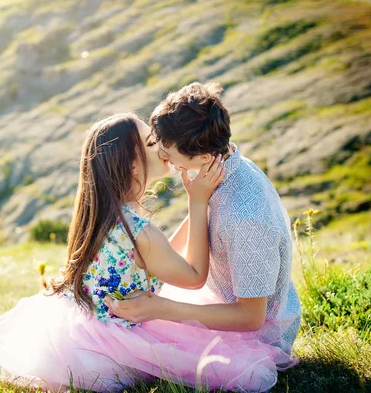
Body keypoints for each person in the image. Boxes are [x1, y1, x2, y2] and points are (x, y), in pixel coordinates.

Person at [0, 113, 295, 393]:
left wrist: (204, 198)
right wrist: (198, 203)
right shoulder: (140, 232)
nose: (162, 147)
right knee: (231, 364)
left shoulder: (105, 213)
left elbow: (162, 257)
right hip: (115, 337)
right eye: (151, 142)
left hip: (80, 323)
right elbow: (194, 277)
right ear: (133, 164)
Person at [105, 82, 302, 356]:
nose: (160, 155)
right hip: (218, 297)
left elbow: (251, 318)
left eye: (168, 151)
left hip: (254, 336)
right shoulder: (223, 168)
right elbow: (182, 247)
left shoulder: (245, 220)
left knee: (141, 335)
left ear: (203, 156)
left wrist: (163, 309)